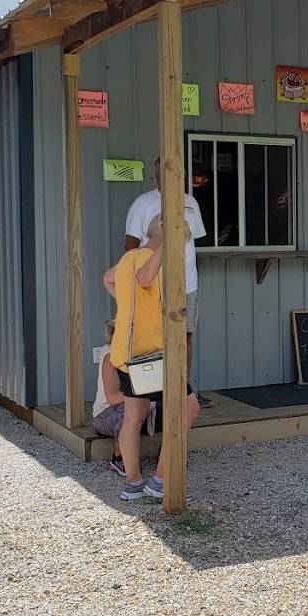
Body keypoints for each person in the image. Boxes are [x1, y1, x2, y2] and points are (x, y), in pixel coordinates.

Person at [105, 215, 200, 502]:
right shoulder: (153, 259)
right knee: (189, 408)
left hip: (125, 353)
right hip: (152, 356)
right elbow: (145, 279)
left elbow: (107, 279)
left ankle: (133, 482)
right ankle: (161, 480)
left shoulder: (128, 258)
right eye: (180, 239)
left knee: (134, 415)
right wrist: (166, 244)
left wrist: (129, 305)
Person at [124, 157, 207, 383]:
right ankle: (155, 392)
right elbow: (130, 248)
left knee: (185, 335)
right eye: (168, 172)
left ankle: (184, 388)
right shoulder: (143, 204)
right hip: (154, 283)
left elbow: (192, 243)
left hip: (188, 284)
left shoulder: (190, 202)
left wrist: (193, 276)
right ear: (157, 176)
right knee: (154, 337)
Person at [92, 318, 126, 476]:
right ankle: (118, 457)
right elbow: (113, 398)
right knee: (131, 409)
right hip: (104, 416)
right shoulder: (111, 354)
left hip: (126, 408)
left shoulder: (131, 351)